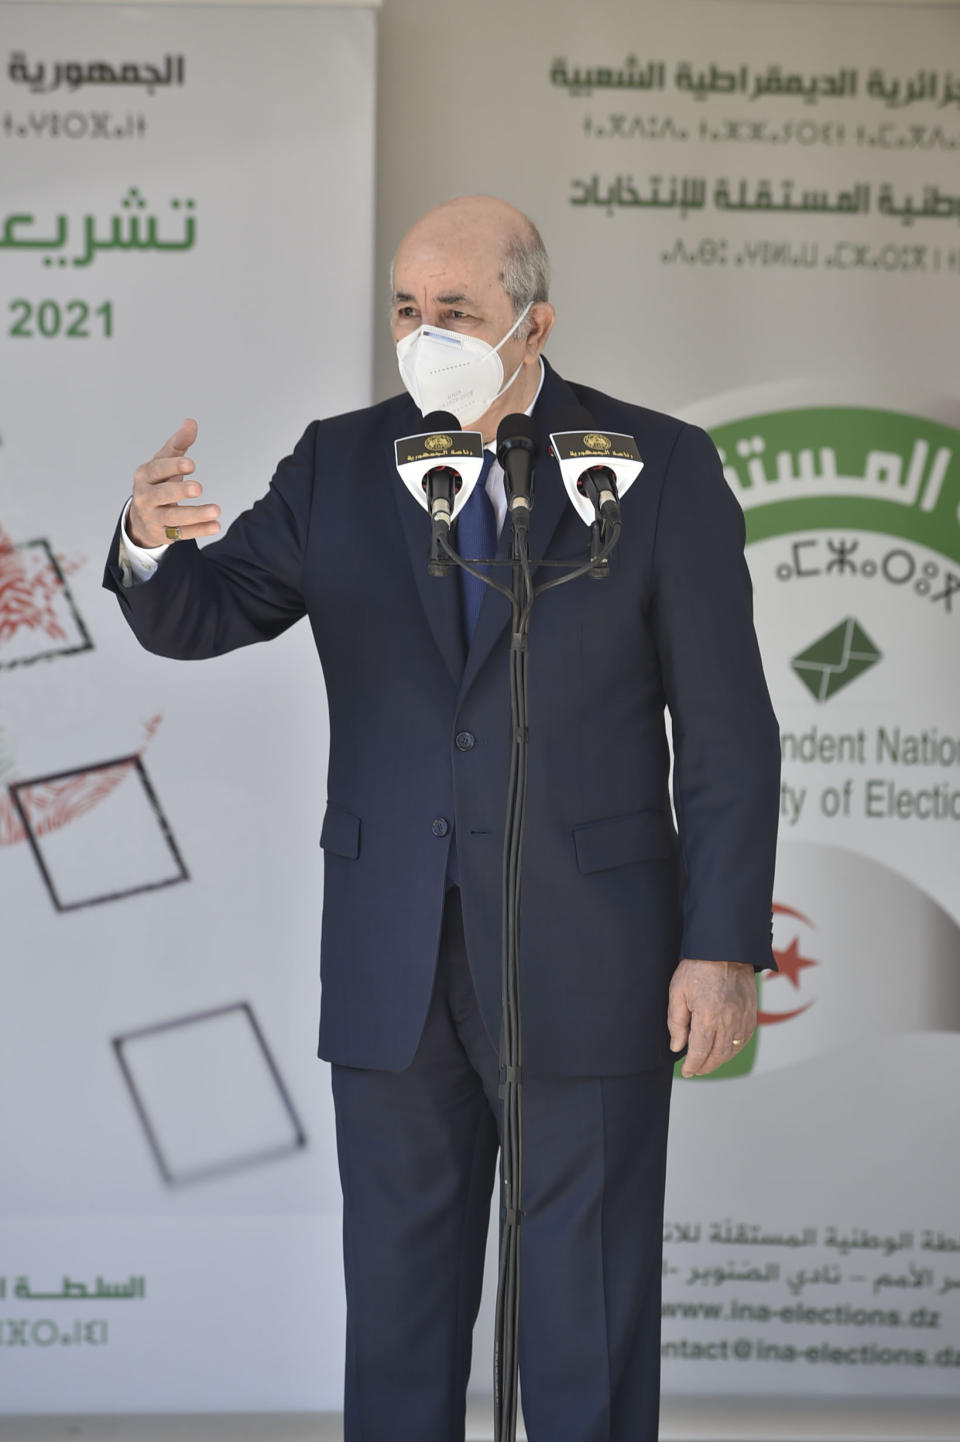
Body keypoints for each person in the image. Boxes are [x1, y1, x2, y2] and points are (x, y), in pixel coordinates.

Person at [104, 195, 780, 1442]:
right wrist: (150, 539)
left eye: (454, 310)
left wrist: (721, 940)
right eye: (407, 309)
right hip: (393, 957)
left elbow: (730, 730)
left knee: (586, 1316)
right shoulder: (337, 461)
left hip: (596, 952)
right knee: (402, 1320)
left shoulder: (658, 462)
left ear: (535, 320)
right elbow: (207, 610)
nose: (423, 334)